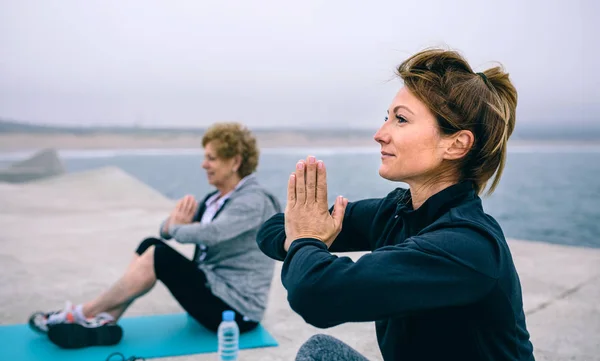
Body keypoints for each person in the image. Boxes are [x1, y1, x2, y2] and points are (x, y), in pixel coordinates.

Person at [256, 48, 535, 360]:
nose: (379, 134)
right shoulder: (397, 212)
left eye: (401, 119)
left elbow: (315, 294)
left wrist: (306, 238)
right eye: (386, 118)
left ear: (457, 144)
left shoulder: (468, 247)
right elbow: (272, 230)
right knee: (319, 352)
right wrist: (303, 235)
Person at [29, 122, 281, 349]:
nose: (204, 164)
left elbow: (212, 233)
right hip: (212, 290)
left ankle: (84, 312)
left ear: (235, 162)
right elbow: (171, 228)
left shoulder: (253, 200)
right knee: (150, 244)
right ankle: (106, 321)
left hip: (237, 311)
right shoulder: (215, 199)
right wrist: (170, 227)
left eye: (211, 158)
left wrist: (174, 228)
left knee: (159, 255)